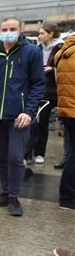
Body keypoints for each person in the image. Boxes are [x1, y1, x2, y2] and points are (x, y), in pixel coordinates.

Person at [0, 17, 46, 216]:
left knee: (15, 157)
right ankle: (5, 193)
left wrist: (29, 111)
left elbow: (38, 84)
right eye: (4, 28)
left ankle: (14, 197)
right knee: (1, 157)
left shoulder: (31, 51)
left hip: (20, 116)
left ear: (20, 29)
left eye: (12, 28)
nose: (8, 32)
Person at [32, 22, 63, 164]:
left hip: (58, 90)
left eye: (42, 33)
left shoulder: (61, 48)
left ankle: (68, 158)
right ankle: (38, 153)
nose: (39, 36)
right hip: (41, 90)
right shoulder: (37, 49)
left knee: (67, 125)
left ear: (51, 34)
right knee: (40, 122)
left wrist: (52, 68)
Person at [55, 30, 75, 211]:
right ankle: (68, 196)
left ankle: (67, 195)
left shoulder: (64, 52)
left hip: (67, 109)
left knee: (71, 152)